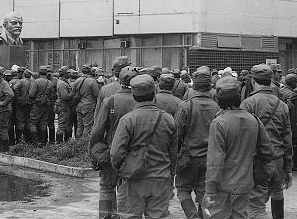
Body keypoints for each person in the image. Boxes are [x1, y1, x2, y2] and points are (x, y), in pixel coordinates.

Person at [203, 77, 276, 218]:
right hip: (245, 183)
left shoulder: (219, 123)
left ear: (220, 101)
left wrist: (210, 190)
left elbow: (215, 160)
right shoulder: (254, 119)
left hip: (222, 186)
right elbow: (268, 151)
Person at [110, 74, 177, 219]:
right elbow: (173, 154)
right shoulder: (168, 119)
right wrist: (170, 178)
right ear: (154, 94)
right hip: (160, 179)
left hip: (133, 180)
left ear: (134, 96)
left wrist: (122, 171)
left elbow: (115, 154)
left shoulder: (127, 120)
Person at [241, 64, 293, 219]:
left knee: (256, 205)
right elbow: (287, 138)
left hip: (258, 161)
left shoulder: (247, 104)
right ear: (270, 80)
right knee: (277, 193)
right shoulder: (282, 105)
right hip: (277, 159)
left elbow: (244, 137)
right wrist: (288, 167)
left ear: (253, 80)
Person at [90, 66, 138, 219]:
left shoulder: (110, 101)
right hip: (134, 155)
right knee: (130, 189)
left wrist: (94, 154)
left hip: (111, 151)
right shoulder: (143, 101)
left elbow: (97, 131)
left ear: (119, 79)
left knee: (106, 187)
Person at [174, 66, 220, 218]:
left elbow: (177, 135)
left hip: (189, 158)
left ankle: (193, 216)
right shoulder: (218, 108)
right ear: (209, 87)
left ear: (193, 86)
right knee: (203, 194)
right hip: (209, 159)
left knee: (182, 190)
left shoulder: (186, 106)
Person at [0, 67, 15, 152]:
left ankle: (5, 149)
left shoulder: (4, 84)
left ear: (1, 75)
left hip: (3, 110)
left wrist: (4, 103)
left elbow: (11, 95)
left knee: (2, 130)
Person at [74, 64, 99, 138]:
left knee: (80, 125)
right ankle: (84, 145)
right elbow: (97, 94)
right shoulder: (92, 81)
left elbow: (73, 93)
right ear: (90, 71)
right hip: (89, 105)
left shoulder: (77, 80)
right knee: (87, 126)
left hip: (79, 105)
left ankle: (77, 144)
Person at [28, 66, 52, 144]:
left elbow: (31, 94)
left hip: (37, 104)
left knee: (33, 122)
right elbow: (52, 94)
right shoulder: (50, 82)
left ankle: (35, 142)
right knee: (43, 122)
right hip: (46, 104)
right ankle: (43, 142)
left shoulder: (36, 82)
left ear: (39, 73)